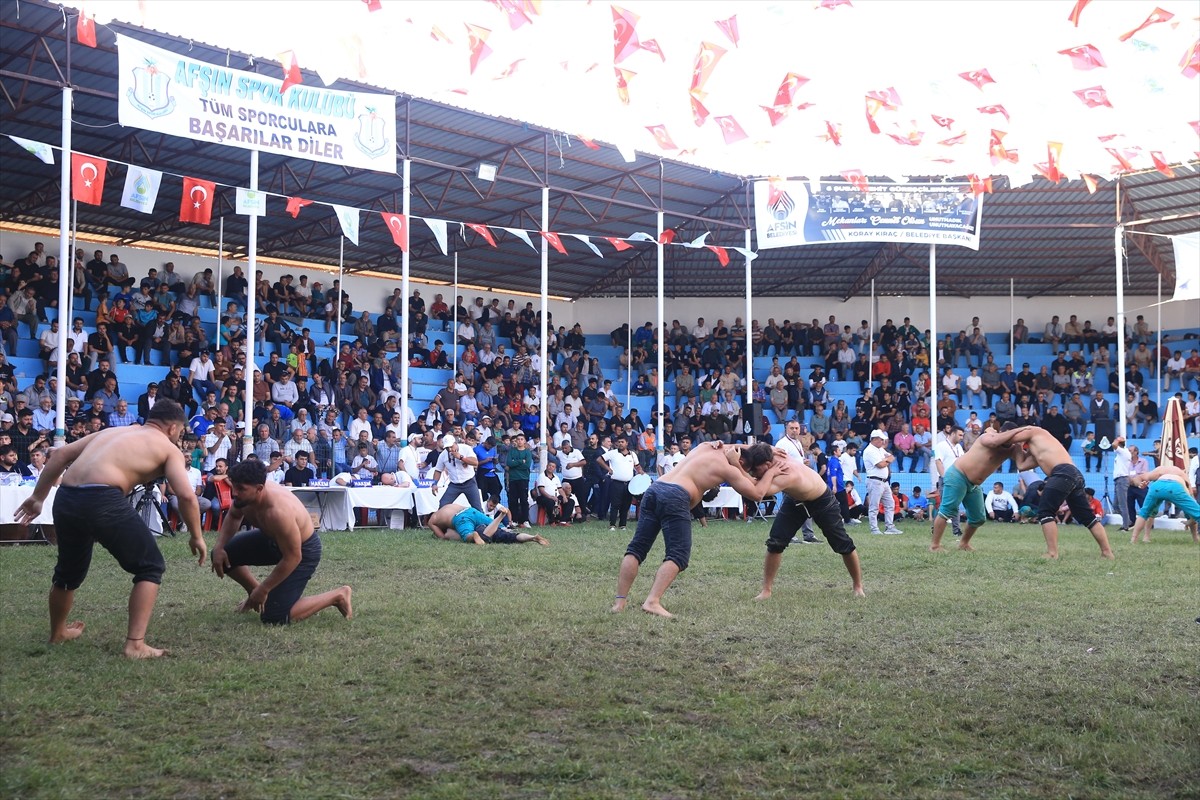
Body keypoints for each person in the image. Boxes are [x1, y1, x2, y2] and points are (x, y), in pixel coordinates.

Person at [14, 400, 206, 659]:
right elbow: (186, 496)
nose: (179, 436)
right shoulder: (167, 448)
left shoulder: (113, 431)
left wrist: (39, 497)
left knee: (68, 572)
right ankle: (135, 644)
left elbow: (60, 455)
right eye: (180, 432)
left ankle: (57, 632)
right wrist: (196, 535)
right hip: (103, 499)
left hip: (67, 498)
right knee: (150, 567)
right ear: (173, 428)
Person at [612, 441, 782, 618]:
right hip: (676, 496)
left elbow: (728, 445)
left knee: (637, 549)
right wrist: (771, 472)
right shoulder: (729, 469)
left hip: (655, 489)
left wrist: (767, 449)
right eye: (747, 470)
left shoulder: (706, 447)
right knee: (678, 555)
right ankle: (652, 601)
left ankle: (619, 603)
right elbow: (757, 494)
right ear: (741, 463)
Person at [210, 459, 352, 624]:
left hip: (303, 551)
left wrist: (264, 588)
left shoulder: (278, 512)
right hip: (272, 539)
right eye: (234, 486)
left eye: (241, 489)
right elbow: (234, 516)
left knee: (274, 617)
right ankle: (255, 594)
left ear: (259, 489)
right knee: (221, 554)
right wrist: (220, 546)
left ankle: (338, 596)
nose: (234, 493)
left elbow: (293, 557)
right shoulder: (244, 498)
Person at [739, 445, 865, 600]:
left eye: (756, 471)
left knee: (842, 544)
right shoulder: (774, 454)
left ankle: (858, 586)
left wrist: (769, 473)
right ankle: (766, 590)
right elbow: (748, 448)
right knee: (775, 542)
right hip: (796, 500)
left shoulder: (785, 474)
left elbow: (757, 493)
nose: (754, 475)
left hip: (822, 501)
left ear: (767, 464)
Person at [996, 426, 1115, 559]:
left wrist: (993, 434)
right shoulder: (1037, 450)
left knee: (1045, 512)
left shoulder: (1035, 431)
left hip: (1062, 473)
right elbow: (1021, 465)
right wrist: (1016, 447)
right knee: (1087, 516)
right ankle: (1107, 552)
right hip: (1074, 475)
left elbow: (1007, 438)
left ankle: (1052, 553)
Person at [930, 428, 1022, 551]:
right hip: (956, 476)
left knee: (978, 517)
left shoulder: (1011, 448)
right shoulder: (988, 438)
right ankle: (935, 546)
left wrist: (1024, 446)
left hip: (973, 483)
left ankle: (963, 543)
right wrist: (1022, 430)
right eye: (960, 434)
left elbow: (1023, 464)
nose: (962, 437)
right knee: (948, 510)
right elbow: (938, 462)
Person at [1126, 464, 1200, 544]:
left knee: (1144, 513)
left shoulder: (1159, 470)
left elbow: (1138, 478)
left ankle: (1133, 539)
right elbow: (1190, 496)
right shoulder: (1181, 473)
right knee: (1196, 512)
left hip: (1157, 487)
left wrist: (1140, 484)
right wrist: (1191, 520)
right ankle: (1195, 539)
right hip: (1175, 488)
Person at [427, 502, 550, 546]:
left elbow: (443, 537)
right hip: (471, 511)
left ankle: (473, 535)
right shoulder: (447, 506)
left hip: (461, 518)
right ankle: (506, 527)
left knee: (467, 535)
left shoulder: (432, 520)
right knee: (499, 527)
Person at [862, 430, 902, 535]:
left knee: (890, 503)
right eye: (881, 439)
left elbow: (891, 456)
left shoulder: (879, 449)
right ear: (874, 439)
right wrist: (887, 460)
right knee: (874, 506)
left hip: (884, 481)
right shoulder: (870, 450)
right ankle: (874, 528)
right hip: (875, 480)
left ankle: (890, 526)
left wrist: (886, 460)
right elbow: (880, 464)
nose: (883, 441)